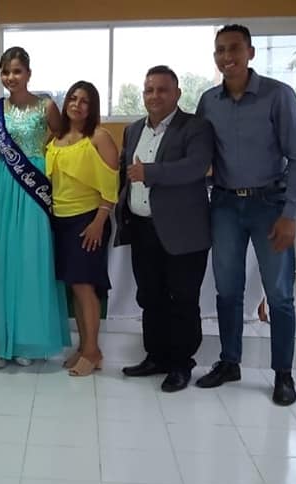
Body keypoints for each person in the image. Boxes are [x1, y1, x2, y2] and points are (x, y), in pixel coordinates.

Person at [195, 24, 296, 405]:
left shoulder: (278, 96)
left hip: (270, 206)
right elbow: (201, 153)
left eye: (234, 49)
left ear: (250, 52)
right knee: (227, 290)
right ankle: (230, 362)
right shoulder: (208, 101)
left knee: (279, 294)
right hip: (225, 205)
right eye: (220, 50)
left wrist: (291, 213)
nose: (227, 57)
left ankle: (283, 374)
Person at [114, 66, 214, 392]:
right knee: (150, 296)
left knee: (183, 299)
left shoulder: (196, 127)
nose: (154, 96)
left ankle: (181, 363)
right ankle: (155, 356)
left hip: (183, 232)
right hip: (143, 228)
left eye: (162, 89)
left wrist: (151, 173)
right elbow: (125, 173)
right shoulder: (133, 130)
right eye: (149, 90)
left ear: (177, 94)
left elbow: (195, 167)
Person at [0, 46, 70, 367]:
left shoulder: (46, 105)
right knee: (7, 259)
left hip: (34, 182)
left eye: (17, 71)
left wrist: (41, 156)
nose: (11, 77)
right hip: (5, 181)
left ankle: (27, 342)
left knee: (32, 258)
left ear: (28, 73)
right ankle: (3, 342)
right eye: (6, 72)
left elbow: (62, 137)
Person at [46, 81, 118, 376]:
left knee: (86, 287)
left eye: (84, 101)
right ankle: (85, 346)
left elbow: (112, 185)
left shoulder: (99, 137)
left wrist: (99, 222)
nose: (77, 105)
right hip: (61, 220)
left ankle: (93, 351)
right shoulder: (57, 138)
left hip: (88, 220)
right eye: (73, 98)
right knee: (75, 287)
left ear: (93, 107)